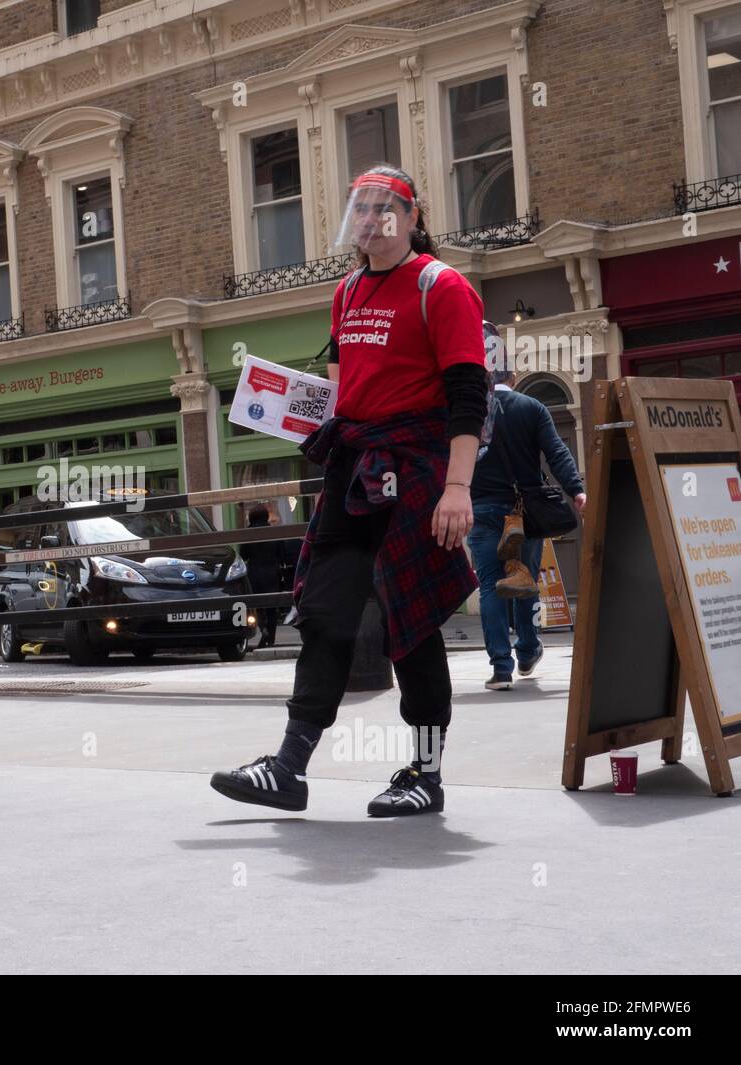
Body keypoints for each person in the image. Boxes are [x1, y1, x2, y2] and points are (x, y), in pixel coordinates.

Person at [211, 164, 488, 818]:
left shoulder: (440, 287)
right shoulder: (346, 293)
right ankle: (288, 767)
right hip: (354, 469)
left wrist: (457, 487)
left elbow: (469, 397)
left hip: (417, 470)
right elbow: (344, 391)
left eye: (384, 209)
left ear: (412, 218)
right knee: (326, 614)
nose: (370, 221)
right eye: (359, 209)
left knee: (410, 623)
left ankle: (425, 774)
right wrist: (290, 409)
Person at [468, 367, 585, 691]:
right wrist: (576, 490)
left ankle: (501, 669)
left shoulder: (470, 411)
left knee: (490, 585)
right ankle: (528, 651)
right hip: (525, 511)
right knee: (525, 580)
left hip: (482, 509)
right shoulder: (532, 408)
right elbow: (557, 453)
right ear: (513, 377)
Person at [239, 504, 297, 648]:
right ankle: (271, 639)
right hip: (272, 573)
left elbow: (243, 554)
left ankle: (263, 629)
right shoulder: (273, 531)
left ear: (251, 518)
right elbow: (281, 553)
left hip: (254, 573)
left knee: (257, 606)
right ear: (266, 516)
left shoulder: (247, 533)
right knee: (272, 607)